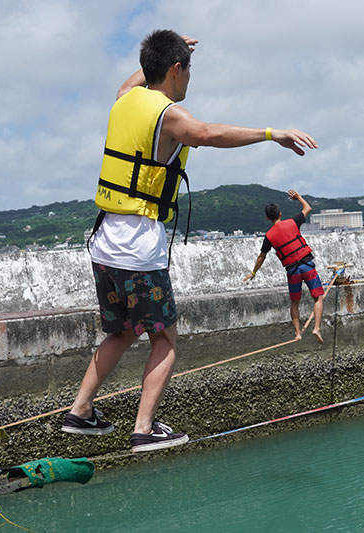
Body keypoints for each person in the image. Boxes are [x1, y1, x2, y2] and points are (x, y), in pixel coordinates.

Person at [61, 29, 318, 453]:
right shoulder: (167, 114)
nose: (189, 79)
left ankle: (81, 410)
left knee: (122, 332)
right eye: (188, 70)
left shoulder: (126, 98)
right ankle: (144, 428)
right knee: (164, 340)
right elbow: (208, 133)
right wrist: (273, 133)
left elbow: (130, 81)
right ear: (176, 70)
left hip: (104, 239)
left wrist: (155, 55)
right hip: (139, 246)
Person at [244, 189, 324, 344]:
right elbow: (308, 208)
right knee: (318, 297)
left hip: (292, 270)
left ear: (268, 218)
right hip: (307, 265)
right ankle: (317, 328)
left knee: (295, 302)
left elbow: (262, 256)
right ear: (280, 214)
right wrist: (298, 197)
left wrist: (253, 272)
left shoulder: (269, 236)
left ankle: (297, 333)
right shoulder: (293, 222)